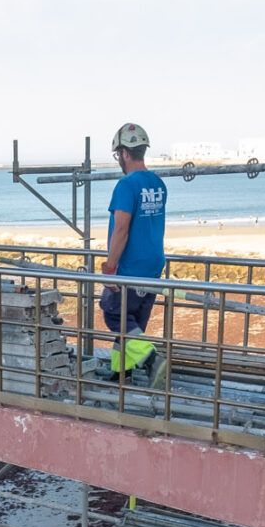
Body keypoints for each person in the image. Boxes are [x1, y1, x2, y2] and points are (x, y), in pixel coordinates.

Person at [97, 122, 168, 380]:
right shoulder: (158, 184)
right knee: (132, 321)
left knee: (114, 313)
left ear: (125, 153)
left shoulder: (126, 185)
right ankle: (121, 371)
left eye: (118, 155)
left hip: (130, 265)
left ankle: (151, 359)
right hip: (153, 263)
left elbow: (121, 228)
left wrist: (110, 266)